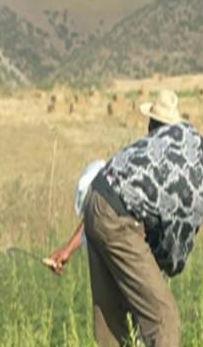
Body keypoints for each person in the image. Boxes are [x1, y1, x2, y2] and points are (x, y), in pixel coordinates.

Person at [82, 118, 203, 347]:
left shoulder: (184, 131)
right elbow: (173, 259)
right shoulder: (196, 192)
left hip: (96, 197)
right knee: (164, 317)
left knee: (112, 319)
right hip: (119, 220)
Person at [48, 89, 183, 274]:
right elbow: (103, 202)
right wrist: (69, 249)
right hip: (131, 260)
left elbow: (101, 202)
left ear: (150, 125)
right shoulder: (144, 164)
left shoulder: (142, 162)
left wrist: (68, 249)